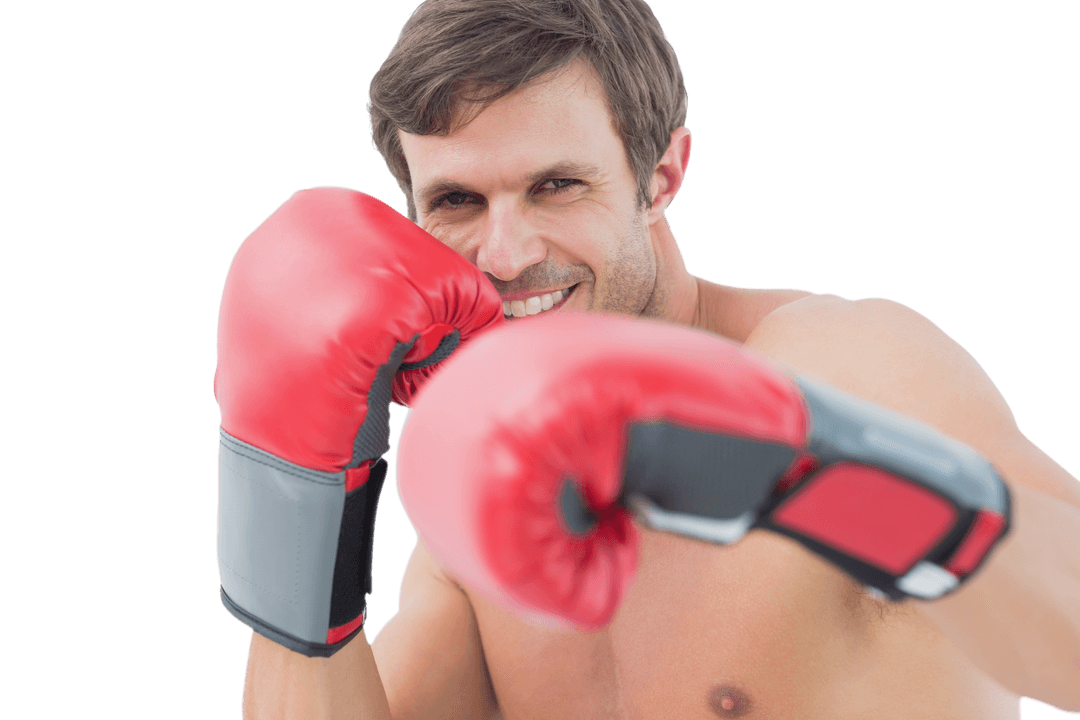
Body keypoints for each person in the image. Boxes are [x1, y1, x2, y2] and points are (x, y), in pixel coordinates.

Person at [224, 1, 1080, 717]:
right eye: (456, 200)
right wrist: (298, 481)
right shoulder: (486, 501)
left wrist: (818, 476)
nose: (507, 253)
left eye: (556, 185)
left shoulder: (842, 362)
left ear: (661, 175)